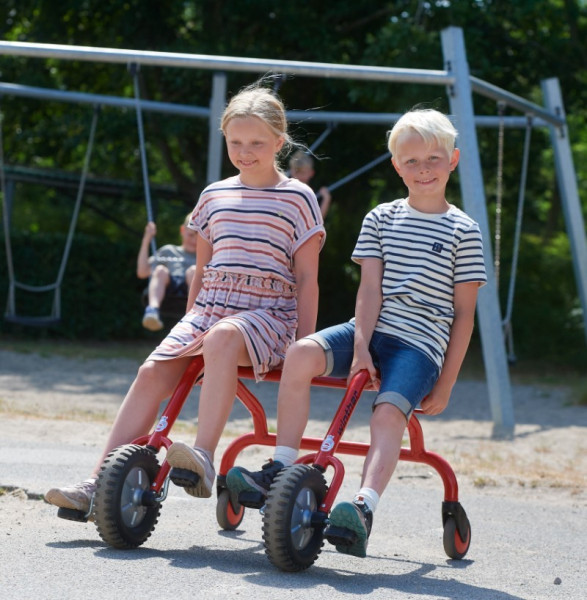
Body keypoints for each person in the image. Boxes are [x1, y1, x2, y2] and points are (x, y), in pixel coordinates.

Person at [44, 81, 325, 514]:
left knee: (221, 339)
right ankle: (97, 483)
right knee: (150, 372)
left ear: (279, 142)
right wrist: (188, 321)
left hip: (269, 314)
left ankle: (205, 458)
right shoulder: (213, 196)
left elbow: (307, 278)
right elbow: (204, 270)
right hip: (212, 309)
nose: (245, 151)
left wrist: (304, 344)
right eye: (236, 142)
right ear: (225, 138)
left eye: (256, 142)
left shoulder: (298, 198)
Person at [227, 108, 487, 558]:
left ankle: (362, 507)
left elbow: (464, 315)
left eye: (433, 159)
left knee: (388, 413)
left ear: (453, 160)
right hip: (367, 330)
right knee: (301, 354)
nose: (423, 169)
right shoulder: (382, 218)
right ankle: (281, 466)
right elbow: (369, 290)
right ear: (396, 166)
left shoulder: (464, 230)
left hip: (420, 346)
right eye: (411, 161)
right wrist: (362, 346)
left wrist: (445, 381)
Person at [138, 215, 197, 332]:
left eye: (198, 237)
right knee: (160, 270)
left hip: (192, 287)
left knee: (194, 271)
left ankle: (194, 315)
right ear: (182, 230)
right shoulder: (169, 250)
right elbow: (142, 272)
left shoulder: (204, 256)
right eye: (190, 235)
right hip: (168, 287)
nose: (194, 241)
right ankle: (152, 310)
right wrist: (146, 239)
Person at [289, 150, 332, 219]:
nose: (299, 176)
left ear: (311, 173)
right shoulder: (285, 190)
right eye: (297, 173)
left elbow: (316, 222)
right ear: (291, 171)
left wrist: (326, 199)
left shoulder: (310, 195)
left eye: (303, 173)